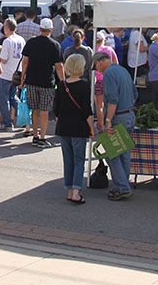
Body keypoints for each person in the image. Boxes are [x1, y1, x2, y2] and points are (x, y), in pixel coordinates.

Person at [93, 51, 136, 201]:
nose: (96, 70)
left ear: (99, 62)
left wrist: (108, 120)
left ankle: (122, 187)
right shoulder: (122, 70)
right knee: (124, 152)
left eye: (95, 67)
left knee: (112, 153)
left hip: (118, 117)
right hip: (130, 114)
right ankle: (124, 184)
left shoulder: (109, 74)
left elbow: (113, 100)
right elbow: (135, 94)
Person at [19, 18, 65, 148]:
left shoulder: (31, 42)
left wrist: (23, 77)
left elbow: (25, 61)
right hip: (47, 82)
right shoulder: (55, 45)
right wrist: (63, 82)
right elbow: (59, 66)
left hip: (31, 80)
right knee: (44, 110)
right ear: (51, 29)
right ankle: (43, 137)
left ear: (40, 29)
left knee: (35, 109)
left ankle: (35, 135)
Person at [54, 54, 94, 204]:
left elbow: (56, 110)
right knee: (78, 160)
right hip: (79, 127)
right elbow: (86, 110)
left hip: (63, 126)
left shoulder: (62, 85)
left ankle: (70, 190)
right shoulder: (84, 86)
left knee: (68, 160)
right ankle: (76, 192)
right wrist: (91, 128)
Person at [0, 18, 24, 132]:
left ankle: (7, 124)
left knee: (4, 99)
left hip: (6, 73)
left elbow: (3, 59)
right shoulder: (21, 40)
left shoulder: (7, 41)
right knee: (13, 98)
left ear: (7, 28)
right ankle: (25, 118)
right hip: (17, 72)